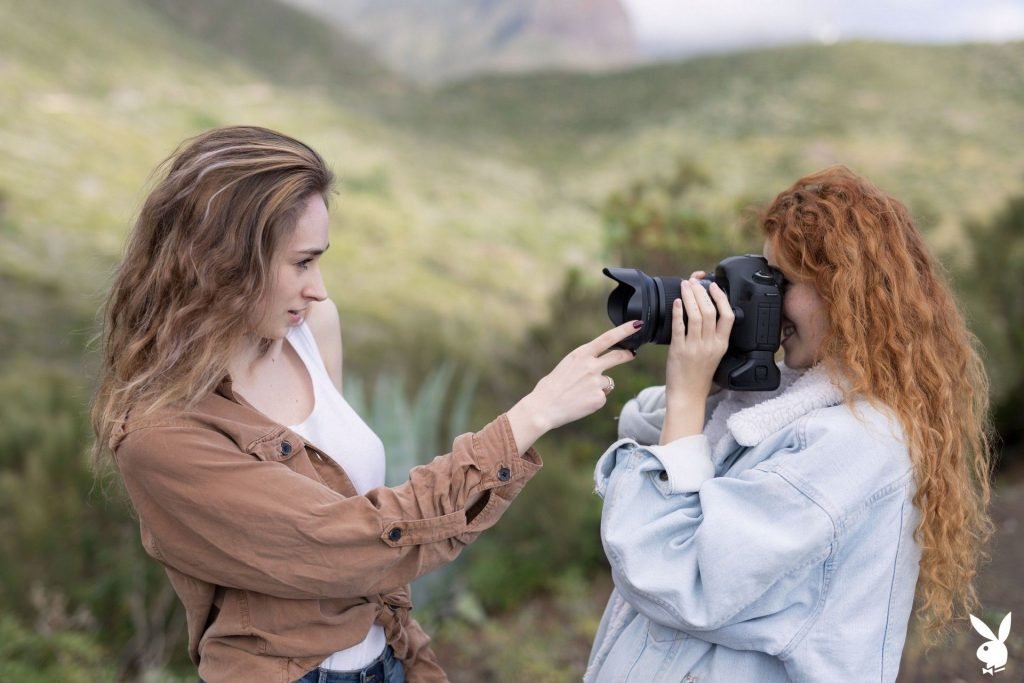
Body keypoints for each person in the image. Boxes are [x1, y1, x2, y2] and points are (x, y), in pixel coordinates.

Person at [89, 125, 639, 683]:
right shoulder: (160, 433)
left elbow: (362, 519)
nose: (319, 289)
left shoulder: (310, 331)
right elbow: (349, 544)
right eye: (301, 263)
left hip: (388, 656)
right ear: (220, 263)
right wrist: (533, 415)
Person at [585, 165, 994, 682]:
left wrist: (688, 395)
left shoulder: (858, 445)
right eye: (764, 274)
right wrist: (711, 383)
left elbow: (677, 577)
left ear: (845, 294)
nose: (768, 298)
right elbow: (680, 453)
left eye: (784, 282)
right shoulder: (793, 403)